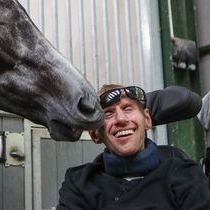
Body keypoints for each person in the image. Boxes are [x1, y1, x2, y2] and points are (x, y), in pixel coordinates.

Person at [57, 84, 210, 210]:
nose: (121, 119)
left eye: (128, 109)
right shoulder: (79, 183)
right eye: (108, 114)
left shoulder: (186, 174)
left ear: (147, 120)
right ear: (95, 134)